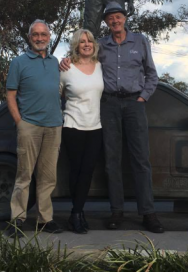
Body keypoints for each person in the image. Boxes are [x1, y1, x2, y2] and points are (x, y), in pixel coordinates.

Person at [61, 1, 164, 233]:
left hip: (134, 104)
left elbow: (152, 75)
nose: (114, 21)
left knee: (141, 160)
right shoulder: (101, 45)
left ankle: (148, 214)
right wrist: (65, 60)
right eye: (110, 18)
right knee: (112, 161)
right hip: (107, 105)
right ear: (106, 22)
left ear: (124, 18)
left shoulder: (140, 41)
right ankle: (116, 212)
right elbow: (83, 62)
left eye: (118, 16)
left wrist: (142, 99)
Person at [5, 20, 63, 237]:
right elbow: (10, 94)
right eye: (35, 35)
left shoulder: (55, 62)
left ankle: (44, 219)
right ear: (29, 38)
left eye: (44, 35)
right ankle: (17, 219)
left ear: (49, 37)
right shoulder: (18, 63)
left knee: (48, 177)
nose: (40, 38)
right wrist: (20, 122)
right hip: (29, 126)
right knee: (24, 176)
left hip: (54, 126)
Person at [60, 29, 104, 234]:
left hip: (95, 127)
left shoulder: (100, 67)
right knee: (76, 171)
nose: (87, 44)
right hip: (72, 126)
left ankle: (77, 212)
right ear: (76, 45)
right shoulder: (66, 69)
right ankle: (76, 214)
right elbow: (54, 95)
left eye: (90, 41)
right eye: (82, 41)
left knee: (87, 172)